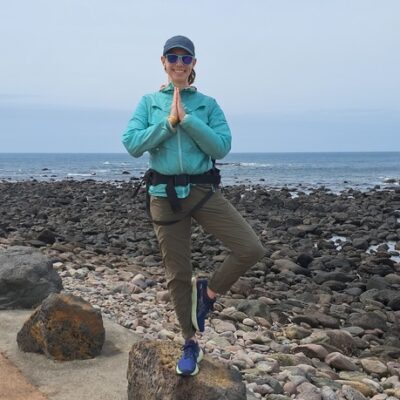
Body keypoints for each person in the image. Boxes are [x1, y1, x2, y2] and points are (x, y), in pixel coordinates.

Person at [122, 35, 265, 376]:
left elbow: (221, 147)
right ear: (163, 62)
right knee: (177, 275)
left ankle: (209, 292)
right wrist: (169, 122)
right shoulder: (148, 102)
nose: (179, 63)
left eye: (185, 58)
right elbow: (132, 144)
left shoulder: (208, 104)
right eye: (173, 57)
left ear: (194, 65)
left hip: (202, 192)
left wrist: (188, 119)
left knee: (250, 248)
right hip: (163, 195)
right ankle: (190, 342)